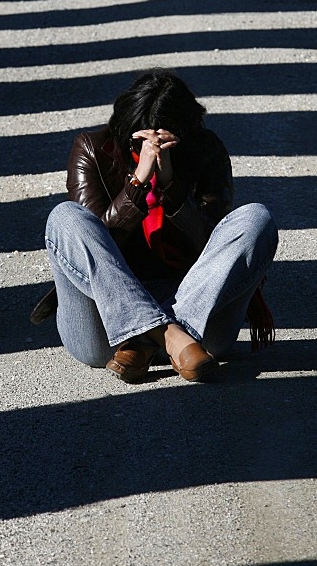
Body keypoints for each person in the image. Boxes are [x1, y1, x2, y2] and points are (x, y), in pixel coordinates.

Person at [41, 68, 278, 383]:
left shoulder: (205, 150)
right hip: (106, 330)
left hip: (196, 315)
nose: (151, 148)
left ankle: (148, 338)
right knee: (64, 217)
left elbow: (213, 247)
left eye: (164, 142)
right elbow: (91, 243)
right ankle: (166, 335)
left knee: (256, 217)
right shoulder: (92, 149)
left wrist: (172, 189)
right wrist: (138, 184)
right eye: (140, 140)